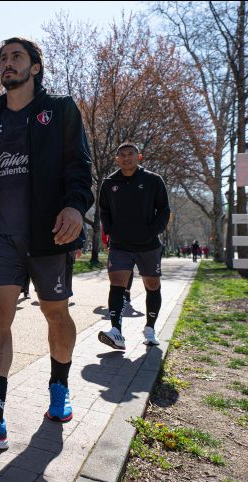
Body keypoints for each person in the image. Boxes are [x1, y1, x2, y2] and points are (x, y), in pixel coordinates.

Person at [0, 37, 93, 450]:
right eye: (2, 59)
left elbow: (80, 167)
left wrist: (74, 207)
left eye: (16, 57)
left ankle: (59, 385)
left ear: (35, 67)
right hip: (0, 237)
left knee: (55, 313)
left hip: (49, 234)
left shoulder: (61, 110)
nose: (7, 64)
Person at [97, 142, 171, 350]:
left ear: (139, 157)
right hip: (120, 244)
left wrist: (152, 231)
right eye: (122, 155)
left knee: (152, 286)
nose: (126, 158)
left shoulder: (153, 180)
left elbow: (164, 210)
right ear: (117, 159)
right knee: (117, 285)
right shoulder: (109, 182)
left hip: (148, 245)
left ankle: (150, 328)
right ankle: (116, 332)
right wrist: (110, 230)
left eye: (131, 154)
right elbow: (104, 210)